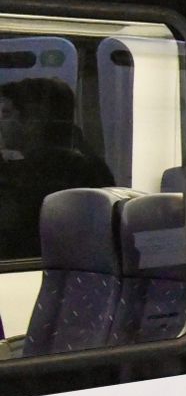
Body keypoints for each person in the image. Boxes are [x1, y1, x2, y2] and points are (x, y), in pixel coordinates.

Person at [0, 77, 118, 259]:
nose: (1, 124)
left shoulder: (24, 178)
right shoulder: (94, 168)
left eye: (6, 114)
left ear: (32, 120)